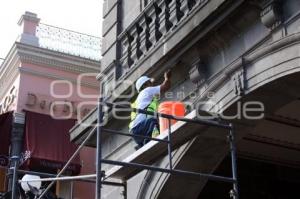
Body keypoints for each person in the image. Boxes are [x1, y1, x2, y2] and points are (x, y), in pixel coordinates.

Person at [129, 70, 172, 149]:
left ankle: (141, 145)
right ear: (145, 85)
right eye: (150, 82)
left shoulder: (140, 99)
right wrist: (167, 77)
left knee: (154, 121)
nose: (152, 84)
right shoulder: (147, 91)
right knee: (155, 121)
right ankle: (147, 143)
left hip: (135, 132)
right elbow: (166, 86)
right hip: (140, 128)